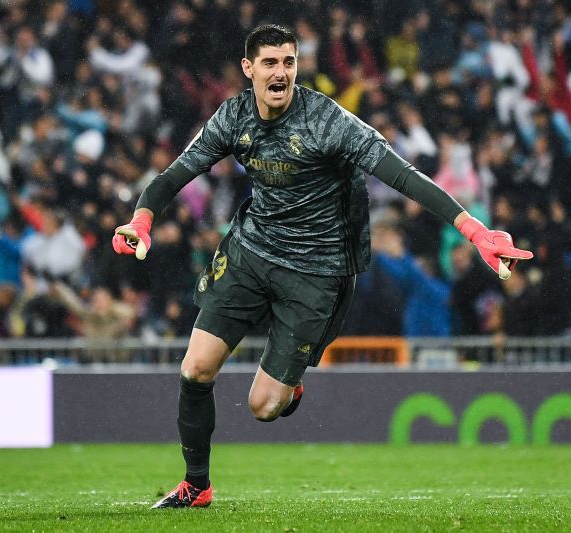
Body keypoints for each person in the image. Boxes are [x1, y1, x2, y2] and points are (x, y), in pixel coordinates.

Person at [112, 24, 533, 509]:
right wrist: (141, 219)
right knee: (195, 369)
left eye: (289, 62)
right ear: (249, 69)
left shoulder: (327, 121)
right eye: (270, 63)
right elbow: (173, 176)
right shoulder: (233, 116)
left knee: (263, 407)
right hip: (252, 252)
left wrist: (474, 229)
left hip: (316, 271)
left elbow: (404, 176)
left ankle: (289, 389)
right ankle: (196, 484)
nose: (281, 73)